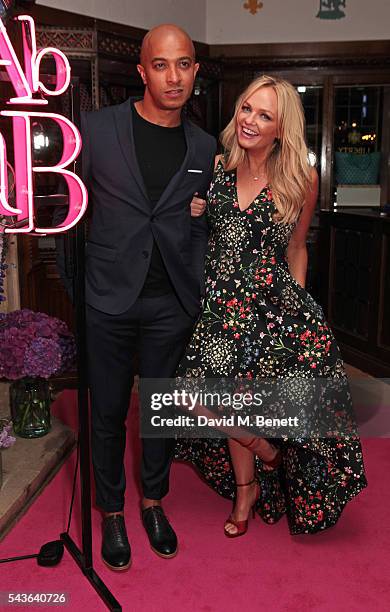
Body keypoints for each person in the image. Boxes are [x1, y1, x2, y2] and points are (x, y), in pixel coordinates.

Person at [174, 74, 367, 536]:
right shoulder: (216, 166)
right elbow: (194, 230)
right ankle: (266, 452)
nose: (251, 121)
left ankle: (247, 492)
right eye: (246, 109)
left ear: (282, 129)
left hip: (272, 306)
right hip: (221, 304)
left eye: (265, 115)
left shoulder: (301, 180)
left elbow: (297, 248)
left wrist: (294, 309)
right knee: (189, 396)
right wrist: (193, 211)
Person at [80, 24, 216, 569]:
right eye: (161, 65)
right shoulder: (97, 129)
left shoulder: (204, 146)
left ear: (195, 72)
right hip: (107, 302)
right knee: (109, 413)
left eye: (183, 64)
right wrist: (84, 290)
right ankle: (112, 510)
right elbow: (74, 219)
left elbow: (200, 223)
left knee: (159, 414)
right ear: (142, 72)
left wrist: (195, 282)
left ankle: (153, 502)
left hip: (170, 307)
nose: (173, 75)